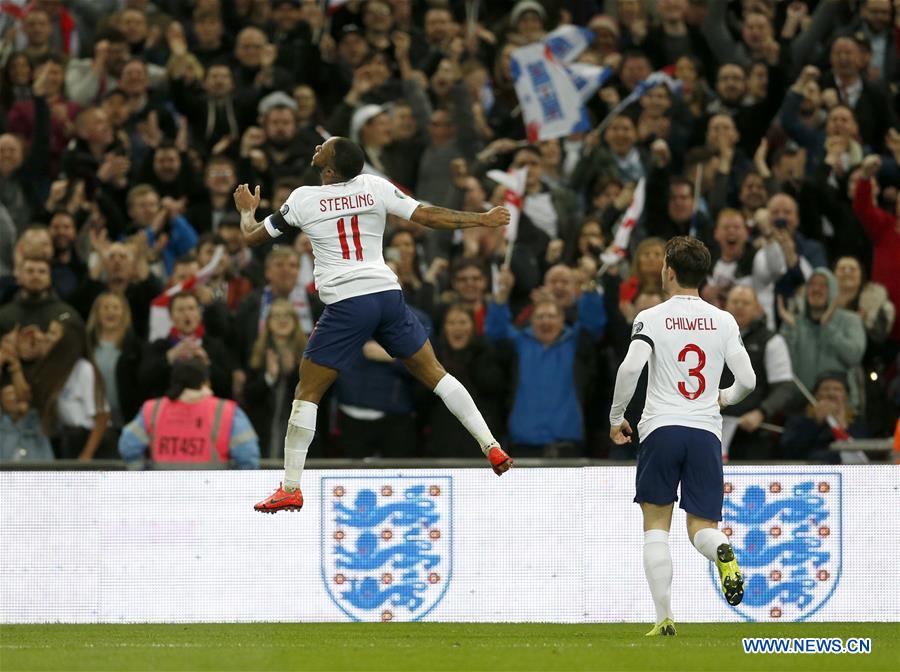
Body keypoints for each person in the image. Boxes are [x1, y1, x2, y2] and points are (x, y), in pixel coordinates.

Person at [233, 136, 512, 513]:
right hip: (387, 296)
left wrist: (247, 211)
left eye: (324, 147)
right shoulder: (375, 187)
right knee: (436, 374)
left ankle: (291, 487)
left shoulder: (302, 199)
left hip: (348, 303)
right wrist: (481, 219)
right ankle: (491, 446)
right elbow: (426, 216)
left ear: (329, 170)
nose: (317, 145)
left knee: (307, 391)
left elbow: (252, 239)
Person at [608, 236, 756, 636]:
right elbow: (749, 380)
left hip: (661, 429)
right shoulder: (724, 320)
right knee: (702, 528)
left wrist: (616, 416)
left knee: (657, 525)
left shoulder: (651, 316)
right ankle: (721, 549)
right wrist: (723, 397)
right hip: (706, 433)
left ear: (668, 271)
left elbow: (629, 369)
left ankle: (664, 618)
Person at [119, 357, 260, 469]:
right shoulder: (227, 411)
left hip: (163, 497)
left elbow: (128, 447)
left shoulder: (152, 409)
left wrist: (142, 475)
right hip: (212, 497)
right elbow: (248, 456)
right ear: (206, 382)